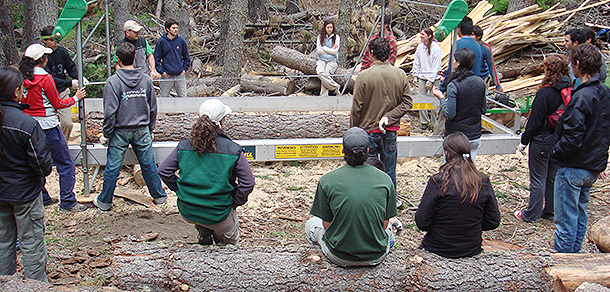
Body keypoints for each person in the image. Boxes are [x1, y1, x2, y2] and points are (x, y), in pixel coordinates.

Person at [158, 99, 255, 245]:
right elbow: (248, 183)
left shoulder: (184, 146)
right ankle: (222, 242)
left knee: (202, 215)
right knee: (228, 242)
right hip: (218, 214)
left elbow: (164, 170)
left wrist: (180, 190)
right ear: (222, 121)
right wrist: (235, 202)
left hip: (189, 210)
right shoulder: (233, 150)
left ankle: (204, 230)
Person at [305, 127, 397, 266]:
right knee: (390, 225)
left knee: (311, 224)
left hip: (338, 255)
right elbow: (384, 225)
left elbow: (326, 225)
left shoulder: (327, 180)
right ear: (367, 151)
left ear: (343, 150)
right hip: (376, 255)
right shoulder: (385, 179)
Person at [94, 42, 167, 212]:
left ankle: (104, 202)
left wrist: (106, 134)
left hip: (120, 132)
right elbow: (153, 108)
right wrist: (150, 129)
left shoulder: (112, 82)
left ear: (117, 60)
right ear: (135, 57)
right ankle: (159, 196)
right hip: (142, 130)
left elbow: (109, 113)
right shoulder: (145, 79)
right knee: (148, 164)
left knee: (112, 167)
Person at [551, 44, 610, 253]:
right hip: (592, 165)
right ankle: (574, 255)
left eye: (571, 63)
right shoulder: (604, 92)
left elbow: (573, 136)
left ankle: (565, 259)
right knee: (580, 212)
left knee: (566, 218)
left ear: (577, 65)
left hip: (574, 165)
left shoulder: (582, 96)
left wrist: (556, 152)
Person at [19, 44, 88, 212]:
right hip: (48, 125)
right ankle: (67, 201)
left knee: (33, 162)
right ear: (42, 60)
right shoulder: (45, 78)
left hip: (28, 125)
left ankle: (42, 196)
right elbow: (57, 103)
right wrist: (75, 98)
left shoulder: (21, 78)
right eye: (45, 57)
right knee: (65, 163)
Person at [0, 67, 53, 282]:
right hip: (26, 194)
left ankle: (5, 283)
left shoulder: (21, 122)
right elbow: (43, 165)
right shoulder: (26, 124)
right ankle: (35, 286)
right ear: (16, 92)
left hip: (3, 193)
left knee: (3, 242)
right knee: (32, 244)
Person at [415, 132, 500, 258]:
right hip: (471, 248)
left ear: (447, 154)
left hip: (438, 248)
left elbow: (422, 222)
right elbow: (493, 221)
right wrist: (470, 228)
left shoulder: (438, 181)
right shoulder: (482, 181)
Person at [351, 37, 413, 192]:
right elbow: (407, 103)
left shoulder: (364, 76)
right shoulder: (400, 75)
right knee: (390, 170)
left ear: (371, 53)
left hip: (368, 132)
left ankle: (368, 199)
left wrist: (353, 132)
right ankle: (389, 203)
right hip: (390, 131)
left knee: (366, 170)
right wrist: (390, 117)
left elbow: (356, 108)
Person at [515, 55, 570, 223]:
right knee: (552, 177)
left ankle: (532, 214)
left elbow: (535, 120)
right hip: (558, 139)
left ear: (548, 71)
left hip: (541, 139)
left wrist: (524, 140)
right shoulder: (568, 89)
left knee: (538, 178)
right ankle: (550, 211)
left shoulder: (545, 92)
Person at [432, 48, 487, 163]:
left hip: (455, 138)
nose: (452, 61)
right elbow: (483, 109)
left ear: (458, 63)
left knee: (451, 171)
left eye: (454, 59)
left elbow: (450, 114)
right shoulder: (480, 82)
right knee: (469, 172)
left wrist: (441, 98)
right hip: (474, 136)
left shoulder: (454, 85)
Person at [41, 26, 88, 141]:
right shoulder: (41, 56)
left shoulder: (62, 52)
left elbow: (71, 68)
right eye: (52, 40)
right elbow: (49, 79)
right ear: (44, 41)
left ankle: (62, 143)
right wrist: (70, 83)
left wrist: (80, 77)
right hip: (46, 95)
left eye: (57, 40)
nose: (55, 43)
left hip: (61, 93)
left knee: (67, 123)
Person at [439, 17, 482, 92]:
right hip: (474, 86)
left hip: (459, 87)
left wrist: (442, 87)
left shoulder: (457, 45)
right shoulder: (477, 45)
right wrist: (445, 72)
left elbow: (452, 69)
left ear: (459, 28)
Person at [413, 28, 442, 132]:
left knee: (434, 101)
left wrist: (431, 80)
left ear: (429, 36)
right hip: (422, 76)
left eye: (423, 34)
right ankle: (424, 122)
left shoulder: (436, 48)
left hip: (434, 78)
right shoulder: (420, 47)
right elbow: (417, 61)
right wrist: (415, 74)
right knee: (422, 99)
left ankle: (435, 123)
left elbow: (436, 65)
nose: (421, 36)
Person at [153, 19, 191, 98]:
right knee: (164, 98)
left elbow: (187, 57)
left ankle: (183, 111)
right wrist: (162, 72)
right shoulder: (161, 42)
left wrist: (184, 70)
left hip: (179, 75)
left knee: (183, 97)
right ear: (167, 29)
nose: (176, 30)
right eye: (173, 28)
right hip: (167, 76)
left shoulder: (181, 41)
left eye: (177, 28)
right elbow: (156, 59)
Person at [472, 25, 502, 91]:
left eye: (472, 35)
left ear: (478, 36)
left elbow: (492, 67)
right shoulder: (468, 46)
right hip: (471, 78)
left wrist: (497, 85)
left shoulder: (486, 49)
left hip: (483, 78)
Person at [315, 20, 340, 96]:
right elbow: (319, 51)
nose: (329, 29)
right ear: (325, 28)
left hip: (332, 60)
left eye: (331, 27)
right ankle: (335, 87)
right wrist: (331, 50)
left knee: (327, 73)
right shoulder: (320, 37)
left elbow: (335, 52)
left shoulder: (336, 37)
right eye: (328, 27)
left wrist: (324, 48)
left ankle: (323, 95)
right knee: (320, 72)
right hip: (321, 59)